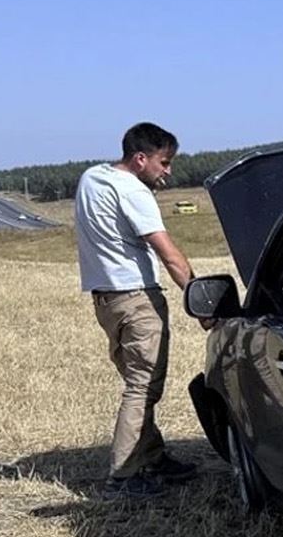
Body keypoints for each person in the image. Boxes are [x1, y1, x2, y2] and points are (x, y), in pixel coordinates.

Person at [75, 122, 201, 498]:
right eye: (164, 162)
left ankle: (152, 456)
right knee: (142, 388)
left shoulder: (93, 178)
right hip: (136, 299)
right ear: (141, 158)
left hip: (106, 300)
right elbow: (169, 254)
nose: (168, 171)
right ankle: (123, 477)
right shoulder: (134, 191)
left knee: (137, 383)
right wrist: (201, 299)